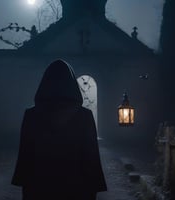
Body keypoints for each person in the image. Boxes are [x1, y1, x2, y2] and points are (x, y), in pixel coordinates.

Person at [12, 59, 107, 200]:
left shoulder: (31, 115)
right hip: (76, 187)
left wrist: (24, 183)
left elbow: (26, 155)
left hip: (39, 187)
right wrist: (93, 186)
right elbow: (90, 157)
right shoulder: (84, 116)